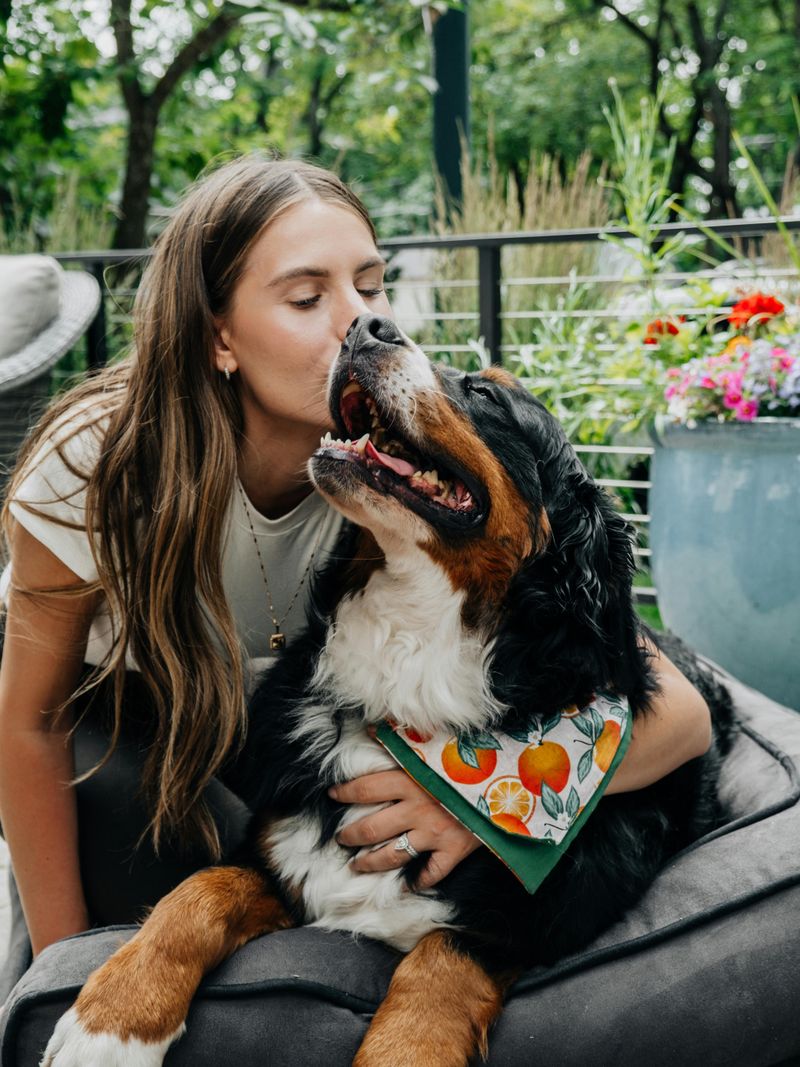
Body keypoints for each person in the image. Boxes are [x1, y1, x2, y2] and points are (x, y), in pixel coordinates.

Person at [0, 155, 712, 1002]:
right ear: (217, 335)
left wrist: (487, 802)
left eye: (372, 287)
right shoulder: (96, 461)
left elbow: (683, 715)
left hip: (283, 748)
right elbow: (29, 727)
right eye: (307, 298)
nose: (361, 323)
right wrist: (56, 970)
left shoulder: (390, 466)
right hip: (125, 753)